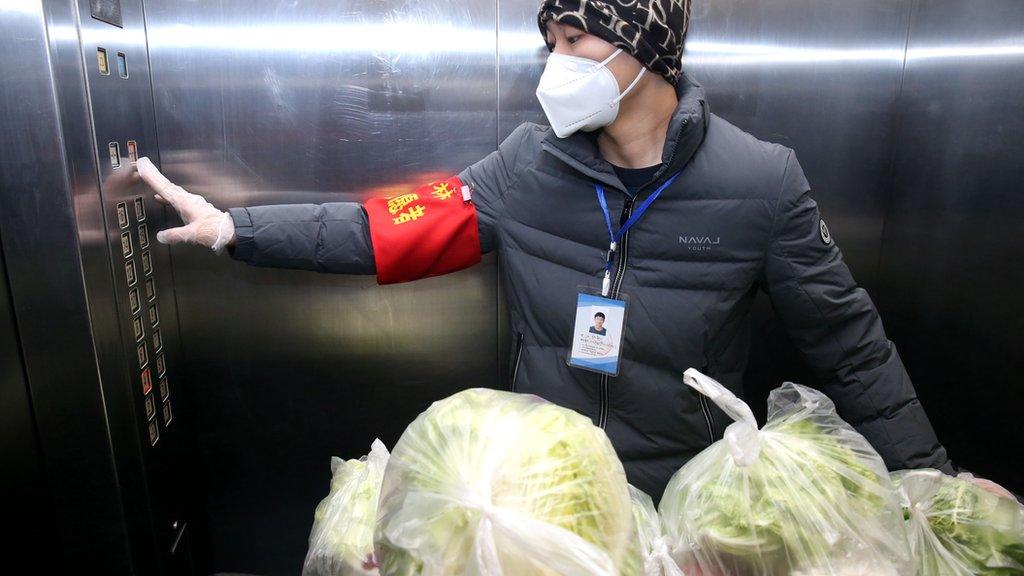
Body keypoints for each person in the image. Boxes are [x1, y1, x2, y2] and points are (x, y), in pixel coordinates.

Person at [137, 0, 1012, 501]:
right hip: (550, 490)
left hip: (686, 498)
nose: (553, 64)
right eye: (549, 42)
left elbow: (849, 346)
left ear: (645, 50)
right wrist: (234, 229)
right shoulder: (527, 165)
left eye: (574, 41)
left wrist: (933, 485)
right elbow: (385, 228)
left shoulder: (763, 182)